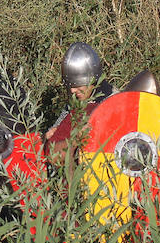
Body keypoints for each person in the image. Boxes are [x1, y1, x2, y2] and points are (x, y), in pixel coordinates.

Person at [45, 42, 116, 173]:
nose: (72, 90)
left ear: (92, 80)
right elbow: (54, 146)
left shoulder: (114, 102)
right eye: (69, 85)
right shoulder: (75, 102)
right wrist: (55, 131)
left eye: (78, 85)